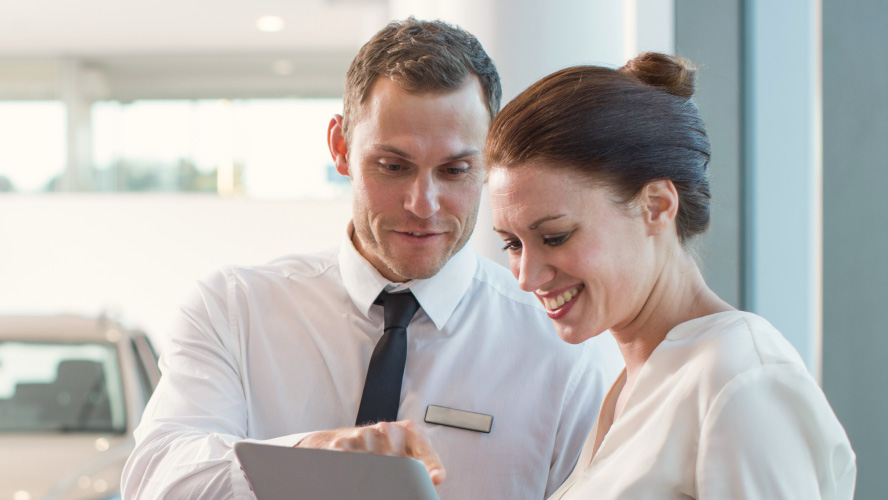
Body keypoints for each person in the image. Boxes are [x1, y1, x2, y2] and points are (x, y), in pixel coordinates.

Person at [120, 18, 622, 500]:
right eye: (392, 166)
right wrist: (311, 454)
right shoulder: (233, 309)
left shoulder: (564, 350)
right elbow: (155, 480)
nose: (422, 204)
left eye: (455, 170)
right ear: (340, 148)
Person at [485, 52, 856, 499]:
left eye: (556, 236)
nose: (525, 277)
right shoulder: (635, 384)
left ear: (657, 205)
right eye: (512, 244)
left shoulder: (741, 380)